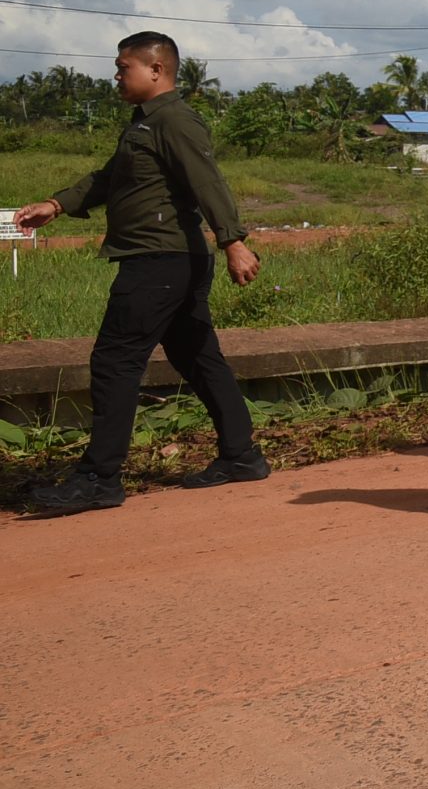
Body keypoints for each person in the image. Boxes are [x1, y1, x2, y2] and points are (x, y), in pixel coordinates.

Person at [15, 31, 269, 517]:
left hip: (160, 260)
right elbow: (110, 177)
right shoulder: (145, 124)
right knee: (198, 357)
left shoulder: (175, 120)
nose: (115, 76)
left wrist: (233, 240)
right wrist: (56, 204)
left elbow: (206, 180)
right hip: (169, 258)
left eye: (122, 67)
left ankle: (98, 479)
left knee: (115, 362)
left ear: (156, 69)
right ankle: (242, 456)